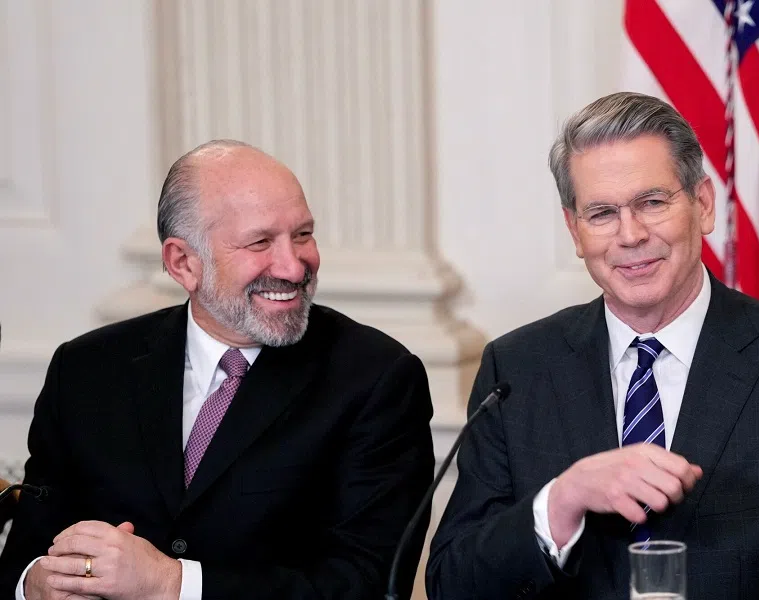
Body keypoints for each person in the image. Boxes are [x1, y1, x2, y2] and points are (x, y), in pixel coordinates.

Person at [425, 92, 759, 599]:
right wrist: (562, 500)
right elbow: (452, 584)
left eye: (652, 202)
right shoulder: (515, 370)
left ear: (703, 204)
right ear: (575, 231)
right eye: (601, 213)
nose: (630, 234)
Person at [0, 140, 435, 600]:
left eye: (303, 234)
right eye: (260, 242)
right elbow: (27, 552)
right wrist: (35, 586)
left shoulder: (377, 378)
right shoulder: (85, 370)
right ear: (183, 263)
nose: (293, 265)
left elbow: (367, 585)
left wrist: (172, 583)